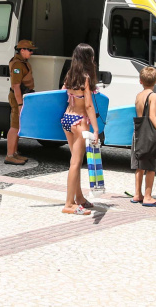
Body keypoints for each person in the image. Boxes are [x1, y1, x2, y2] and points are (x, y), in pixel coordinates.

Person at [60, 43, 100, 216]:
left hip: (67, 119)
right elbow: (89, 106)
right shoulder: (85, 78)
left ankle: (79, 198)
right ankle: (69, 204)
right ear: (87, 58)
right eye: (91, 56)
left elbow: (63, 93)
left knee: (74, 162)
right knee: (75, 163)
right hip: (80, 121)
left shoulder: (70, 75)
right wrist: (96, 130)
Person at [131, 66, 156, 207]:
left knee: (139, 165)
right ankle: (147, 197)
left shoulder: (138, 95)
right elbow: (152, 116)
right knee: (151, 167)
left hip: (138, 132)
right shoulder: (153, 96)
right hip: (148, 135)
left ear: (140, 81)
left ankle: (137, 195)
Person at [6, 40, 36, 166]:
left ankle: (14, 153)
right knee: (15, 126)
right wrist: (19, 105)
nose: (31, 52)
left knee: (18, 126)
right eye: (29, 50)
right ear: (22, 50)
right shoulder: (18, 64)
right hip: (18, 98)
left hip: (23, 96)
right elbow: (16, 86)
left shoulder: (23, 63)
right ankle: (10, 156)